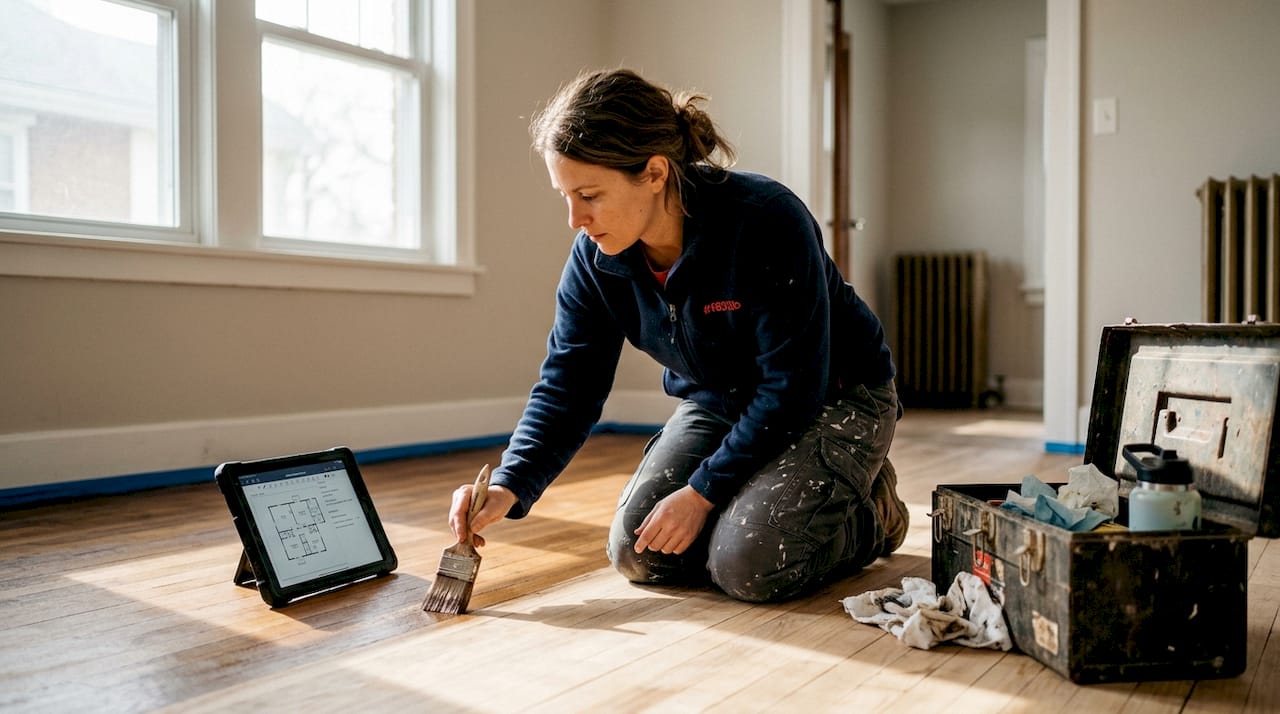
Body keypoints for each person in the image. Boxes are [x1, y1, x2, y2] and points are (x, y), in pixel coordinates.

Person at [446, 68, 907, 603]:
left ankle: (874, 512)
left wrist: (703, 492)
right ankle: (769, 504)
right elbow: (569, 384)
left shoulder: (765, 219)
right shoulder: (596, 259)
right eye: (565, 196)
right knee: (638, 554)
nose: (575, 219)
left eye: (589, 195)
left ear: (655, 172)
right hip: (719, 402)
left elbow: (793, 386)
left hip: (832, 397)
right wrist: (510, 482)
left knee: (748, 564)